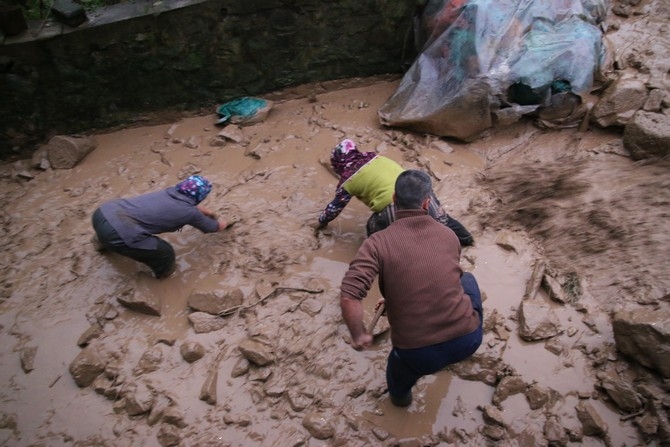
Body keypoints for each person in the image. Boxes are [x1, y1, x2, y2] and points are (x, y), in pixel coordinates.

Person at [339, 169, 483, 407]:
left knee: (398, 381)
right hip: (468, 340)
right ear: (427, 203)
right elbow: (439, 277)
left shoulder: (377, 243)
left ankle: (401, 402)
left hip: (417, 354)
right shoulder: (449, 235)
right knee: (467, 279)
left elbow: (349, 296)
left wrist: (359, 334)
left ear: (394, 200)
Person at [315, 139, 474, 246]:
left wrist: (320, 222)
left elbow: (333, 209)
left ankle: (379, 256)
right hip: (420, 192)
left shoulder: (348, 181)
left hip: (395, 205)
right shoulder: (377, 158)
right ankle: (466, 239)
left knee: (374, 228)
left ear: (338, 163)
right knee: (442, 219)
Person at [91, 175, 230, 279]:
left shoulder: (168, 192)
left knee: (111, 229)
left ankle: (100, 241)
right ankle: (163, 275)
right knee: (165, 252)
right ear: (201, 196)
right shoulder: (189, 212)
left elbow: (187, 201)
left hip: (103, 212)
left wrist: (209, 212)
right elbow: (213, 228)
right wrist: (225, 222)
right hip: (120, 232)